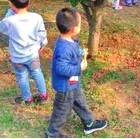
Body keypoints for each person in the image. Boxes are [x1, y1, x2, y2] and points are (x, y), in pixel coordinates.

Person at [46, 8, 107, 137]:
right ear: (74, 29)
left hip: (73, 82)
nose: (81, 26)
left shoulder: (68, 40)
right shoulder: (63, 48)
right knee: (62, 111)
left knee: (80, 101)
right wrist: (79, 68)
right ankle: (52, 133)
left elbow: (73, 50)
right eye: (80, 24)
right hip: (65, 86)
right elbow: (62, 69)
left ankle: (89, 123)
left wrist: (80, 52)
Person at [0, 0, 48, 105]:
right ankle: (43, 95)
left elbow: (1, 27)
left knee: (22, 77)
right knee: (37, 72)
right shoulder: (37, 17)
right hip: (33, 55)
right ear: (29, 1)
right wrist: (43, 43)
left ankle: (27, 98)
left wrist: (9, 12)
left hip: (17, 58)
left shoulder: (9, 21)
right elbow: (42, 33)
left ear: (10, 3)